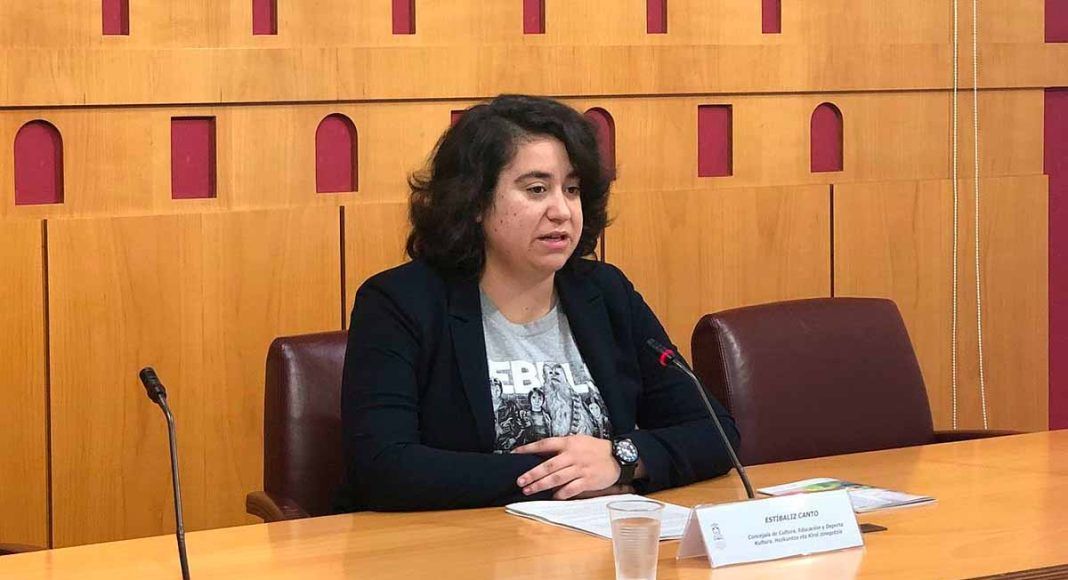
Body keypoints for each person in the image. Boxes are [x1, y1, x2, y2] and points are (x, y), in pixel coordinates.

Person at [335, 94, 740, 512]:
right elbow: (384, 466)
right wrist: (565, 476)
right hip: (464, 541)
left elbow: (715, 432)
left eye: (572, 189)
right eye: (536, 190)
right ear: (475, 201)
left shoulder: (604, 293)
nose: (562, 211)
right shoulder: (401, 303)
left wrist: (622, 459)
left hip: (596, 538)